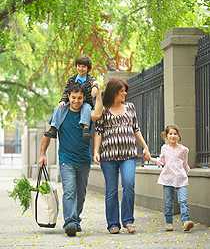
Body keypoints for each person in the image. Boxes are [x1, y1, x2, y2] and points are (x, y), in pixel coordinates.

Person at [39, 83, 103, 237]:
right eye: (73, 97)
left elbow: (99, 114)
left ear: (83, 98)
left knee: (80, 194)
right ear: (68, 96)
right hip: (66, 159)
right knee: (69, 190)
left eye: (80, 98)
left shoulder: (86, 112)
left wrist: (99, 93)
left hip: (84, 160)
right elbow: (48, 134)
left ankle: (76, 219)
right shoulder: (61, 112)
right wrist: (42, 154)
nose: (76, 101)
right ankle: (70, 222)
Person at [93, 78, 151, 234]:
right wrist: (96, 151)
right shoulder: (103, 110)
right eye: (121, 91)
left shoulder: (130, 107)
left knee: (129, 184)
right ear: (114, 92)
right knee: (111, 190)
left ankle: (128, 221)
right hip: (108, 156)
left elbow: (136, 129)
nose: (125, 93)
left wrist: (145, 147)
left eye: (125, 90)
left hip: (128, 155)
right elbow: (98, 132)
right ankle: (113, 223)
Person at [149, 125, 194, 232]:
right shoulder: (164, 148)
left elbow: (185, 164)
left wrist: (187, 173)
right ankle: (169, 222)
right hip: (168, 178)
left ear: (178, 136)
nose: (173, 136)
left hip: (181, 179)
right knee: (168, 202)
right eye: (170, 134)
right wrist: (150, 159)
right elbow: (161, 162)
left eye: (175, 134)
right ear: (166, 136)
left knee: (183, 200)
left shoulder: (184, 150)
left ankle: (186, 221)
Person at [44, 56, 99, 139]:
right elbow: (66, 91)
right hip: (72, 102)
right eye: (79, 66)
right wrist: (62, 101)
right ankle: (53, 128)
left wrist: (95, 88)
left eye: (83, 67)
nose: (81, 68)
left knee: (87, 108)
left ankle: (85, 129)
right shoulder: (71, 79)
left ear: (88, 68)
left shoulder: (90, 79)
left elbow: (95, 84)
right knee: (59, 107)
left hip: (85, 102)